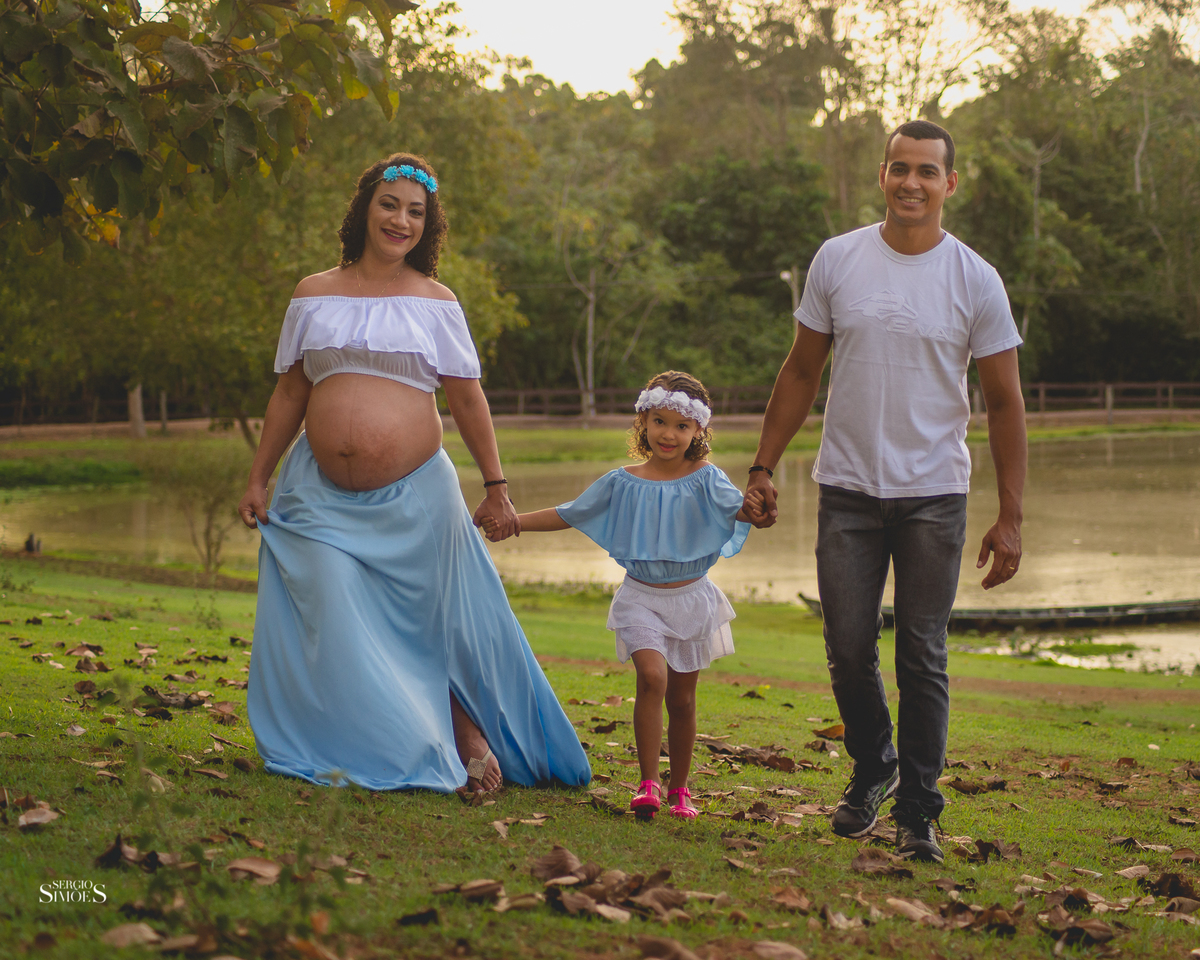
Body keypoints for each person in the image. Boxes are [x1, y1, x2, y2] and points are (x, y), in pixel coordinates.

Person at [237, 152, 591, 794]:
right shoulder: (312, 293)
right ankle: (389, 741)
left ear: (428, 225)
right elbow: (290, 391)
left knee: (432, 623)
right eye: (390, 204)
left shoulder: (436, 302)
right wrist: (258, 478)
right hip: (316, 495)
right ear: (364, 209)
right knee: (331, 604)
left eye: (416, 212)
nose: (401, 220)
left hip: (416, 498)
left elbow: (467, 400)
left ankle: (463, 732)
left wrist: (497, 488)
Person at [744, 121, 1027, 862]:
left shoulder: (976, 279)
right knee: (846, 646)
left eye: (927, 171)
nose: (912, 183)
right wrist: (763, 466)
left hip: (935, 495)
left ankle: (919, 812)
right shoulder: (838, 259)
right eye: (900, 168)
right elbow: (801, 371)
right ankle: (875, 765)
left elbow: (1004, 402)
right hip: (847, 490)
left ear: (949, 184)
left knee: (921, 654)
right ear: (882, 175)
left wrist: (1011, 515)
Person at [485, 372, 756, 819]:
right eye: (659, 421)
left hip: (691, 599)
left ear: (698, 431)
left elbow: (743, 510)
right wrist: (514, 523)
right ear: (643, 422)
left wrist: (761, 507)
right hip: (640, 598)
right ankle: (648, 783)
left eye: (682, 426)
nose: (669, 434)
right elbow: (570, 513)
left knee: (682, 700)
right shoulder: (622, 481)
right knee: (651, 677)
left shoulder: (708, 478)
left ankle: (680, 789)